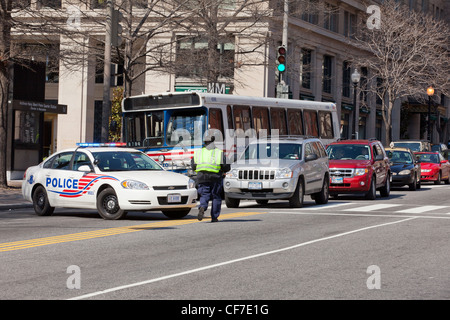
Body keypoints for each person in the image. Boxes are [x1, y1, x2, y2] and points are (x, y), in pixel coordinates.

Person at [191, 131, 230, 222]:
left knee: (204, 194)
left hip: (202, 177)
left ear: (204, 142)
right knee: (216, 196)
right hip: (215, 177)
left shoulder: (198, 152)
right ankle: (214, 217)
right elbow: (226, 166)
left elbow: (193, 165)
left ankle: (203, 207)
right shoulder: (219, 152)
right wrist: (223, 171)